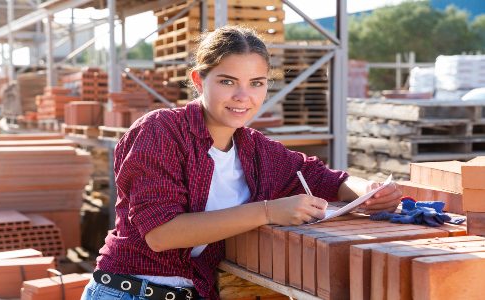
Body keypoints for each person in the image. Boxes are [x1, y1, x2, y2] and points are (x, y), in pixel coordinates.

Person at [81, 25, 401, 300]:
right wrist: (267, 211)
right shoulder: (161, 131)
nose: (243, 96)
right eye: (227, 81)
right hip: (129, 291)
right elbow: (161, 234)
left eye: (256, 83)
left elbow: (322, 177)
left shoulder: (253, 148)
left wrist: (369, 192)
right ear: (198, 80)